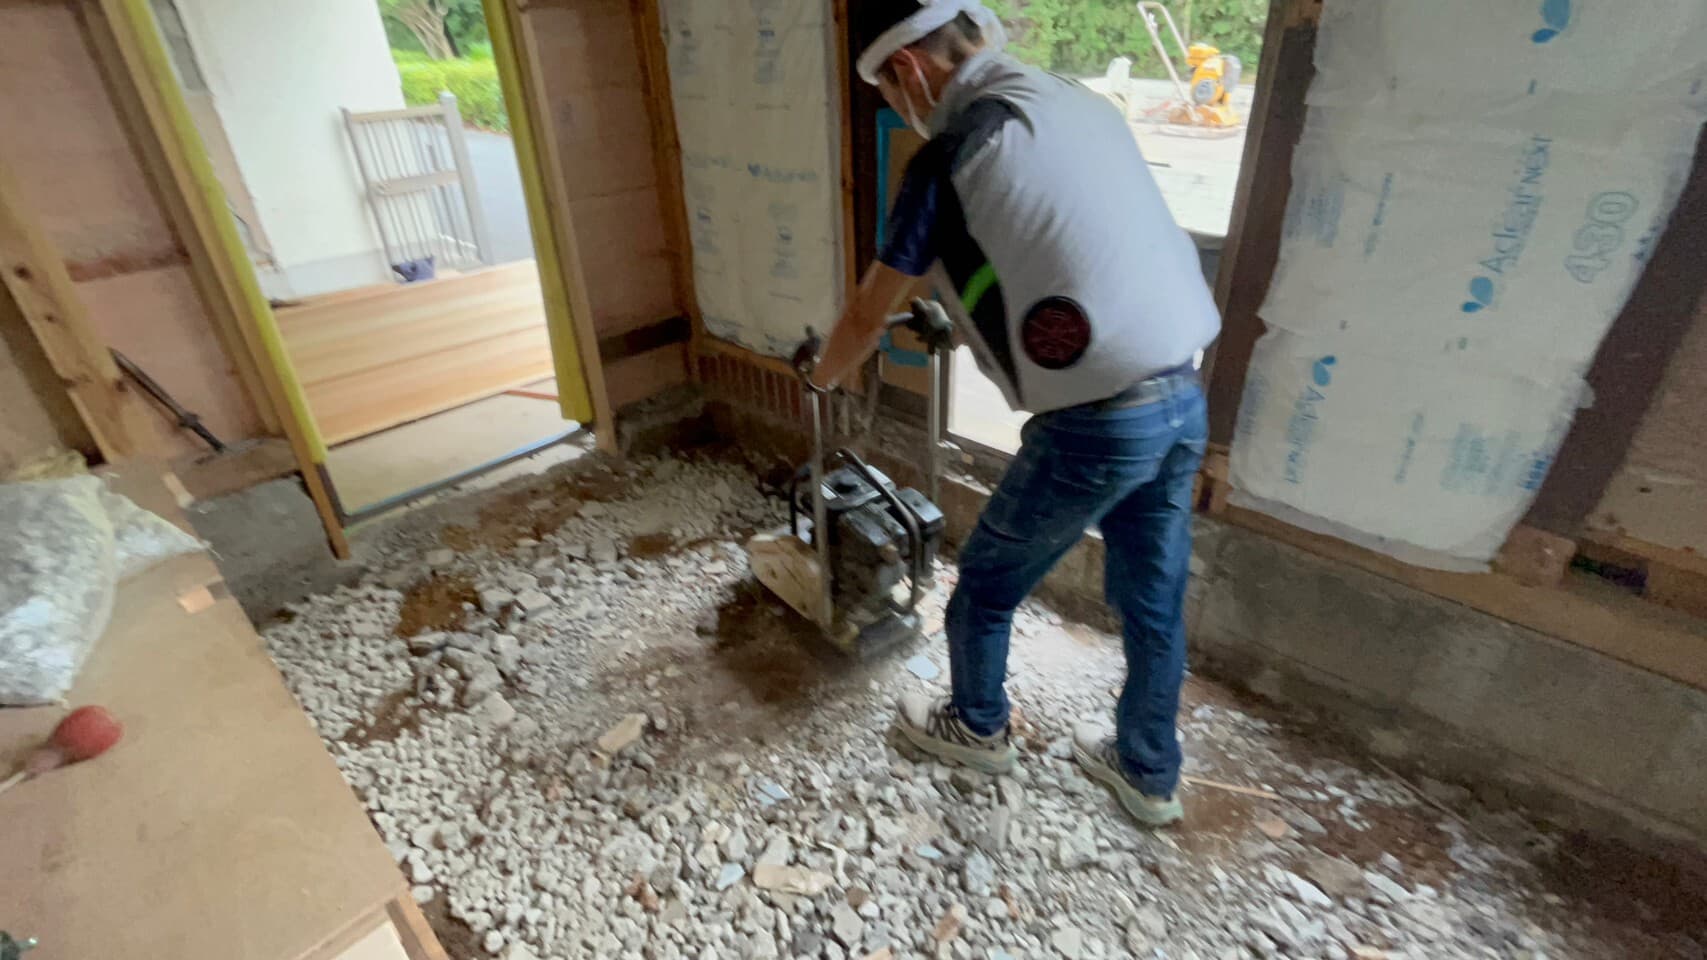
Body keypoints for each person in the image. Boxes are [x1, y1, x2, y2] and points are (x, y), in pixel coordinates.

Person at [807, 0, 1221, 827]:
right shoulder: (1076, 104)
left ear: (909, 69)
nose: (899, 106)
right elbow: (1056, 241)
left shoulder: (948, 156)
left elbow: (864, 313)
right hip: (1181, 396)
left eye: (890, 91)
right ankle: (1147, 773)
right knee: (1151, 600)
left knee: (986, 587)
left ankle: (977, 727)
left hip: (1097, 421)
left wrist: (819, 377)